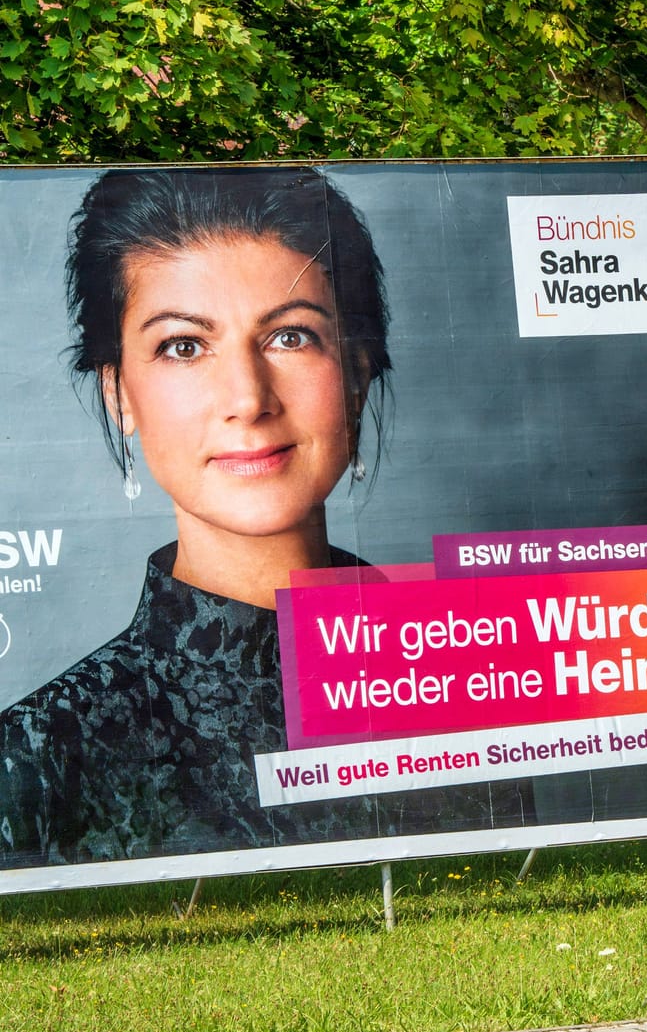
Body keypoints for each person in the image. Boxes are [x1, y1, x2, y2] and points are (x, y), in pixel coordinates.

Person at [0, 167, 528, 868]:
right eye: (183, 346)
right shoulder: (38, 753)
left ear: (360, 371)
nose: (248, 399)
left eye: (291, 337)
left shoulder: (476, 687)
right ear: (119, 394)